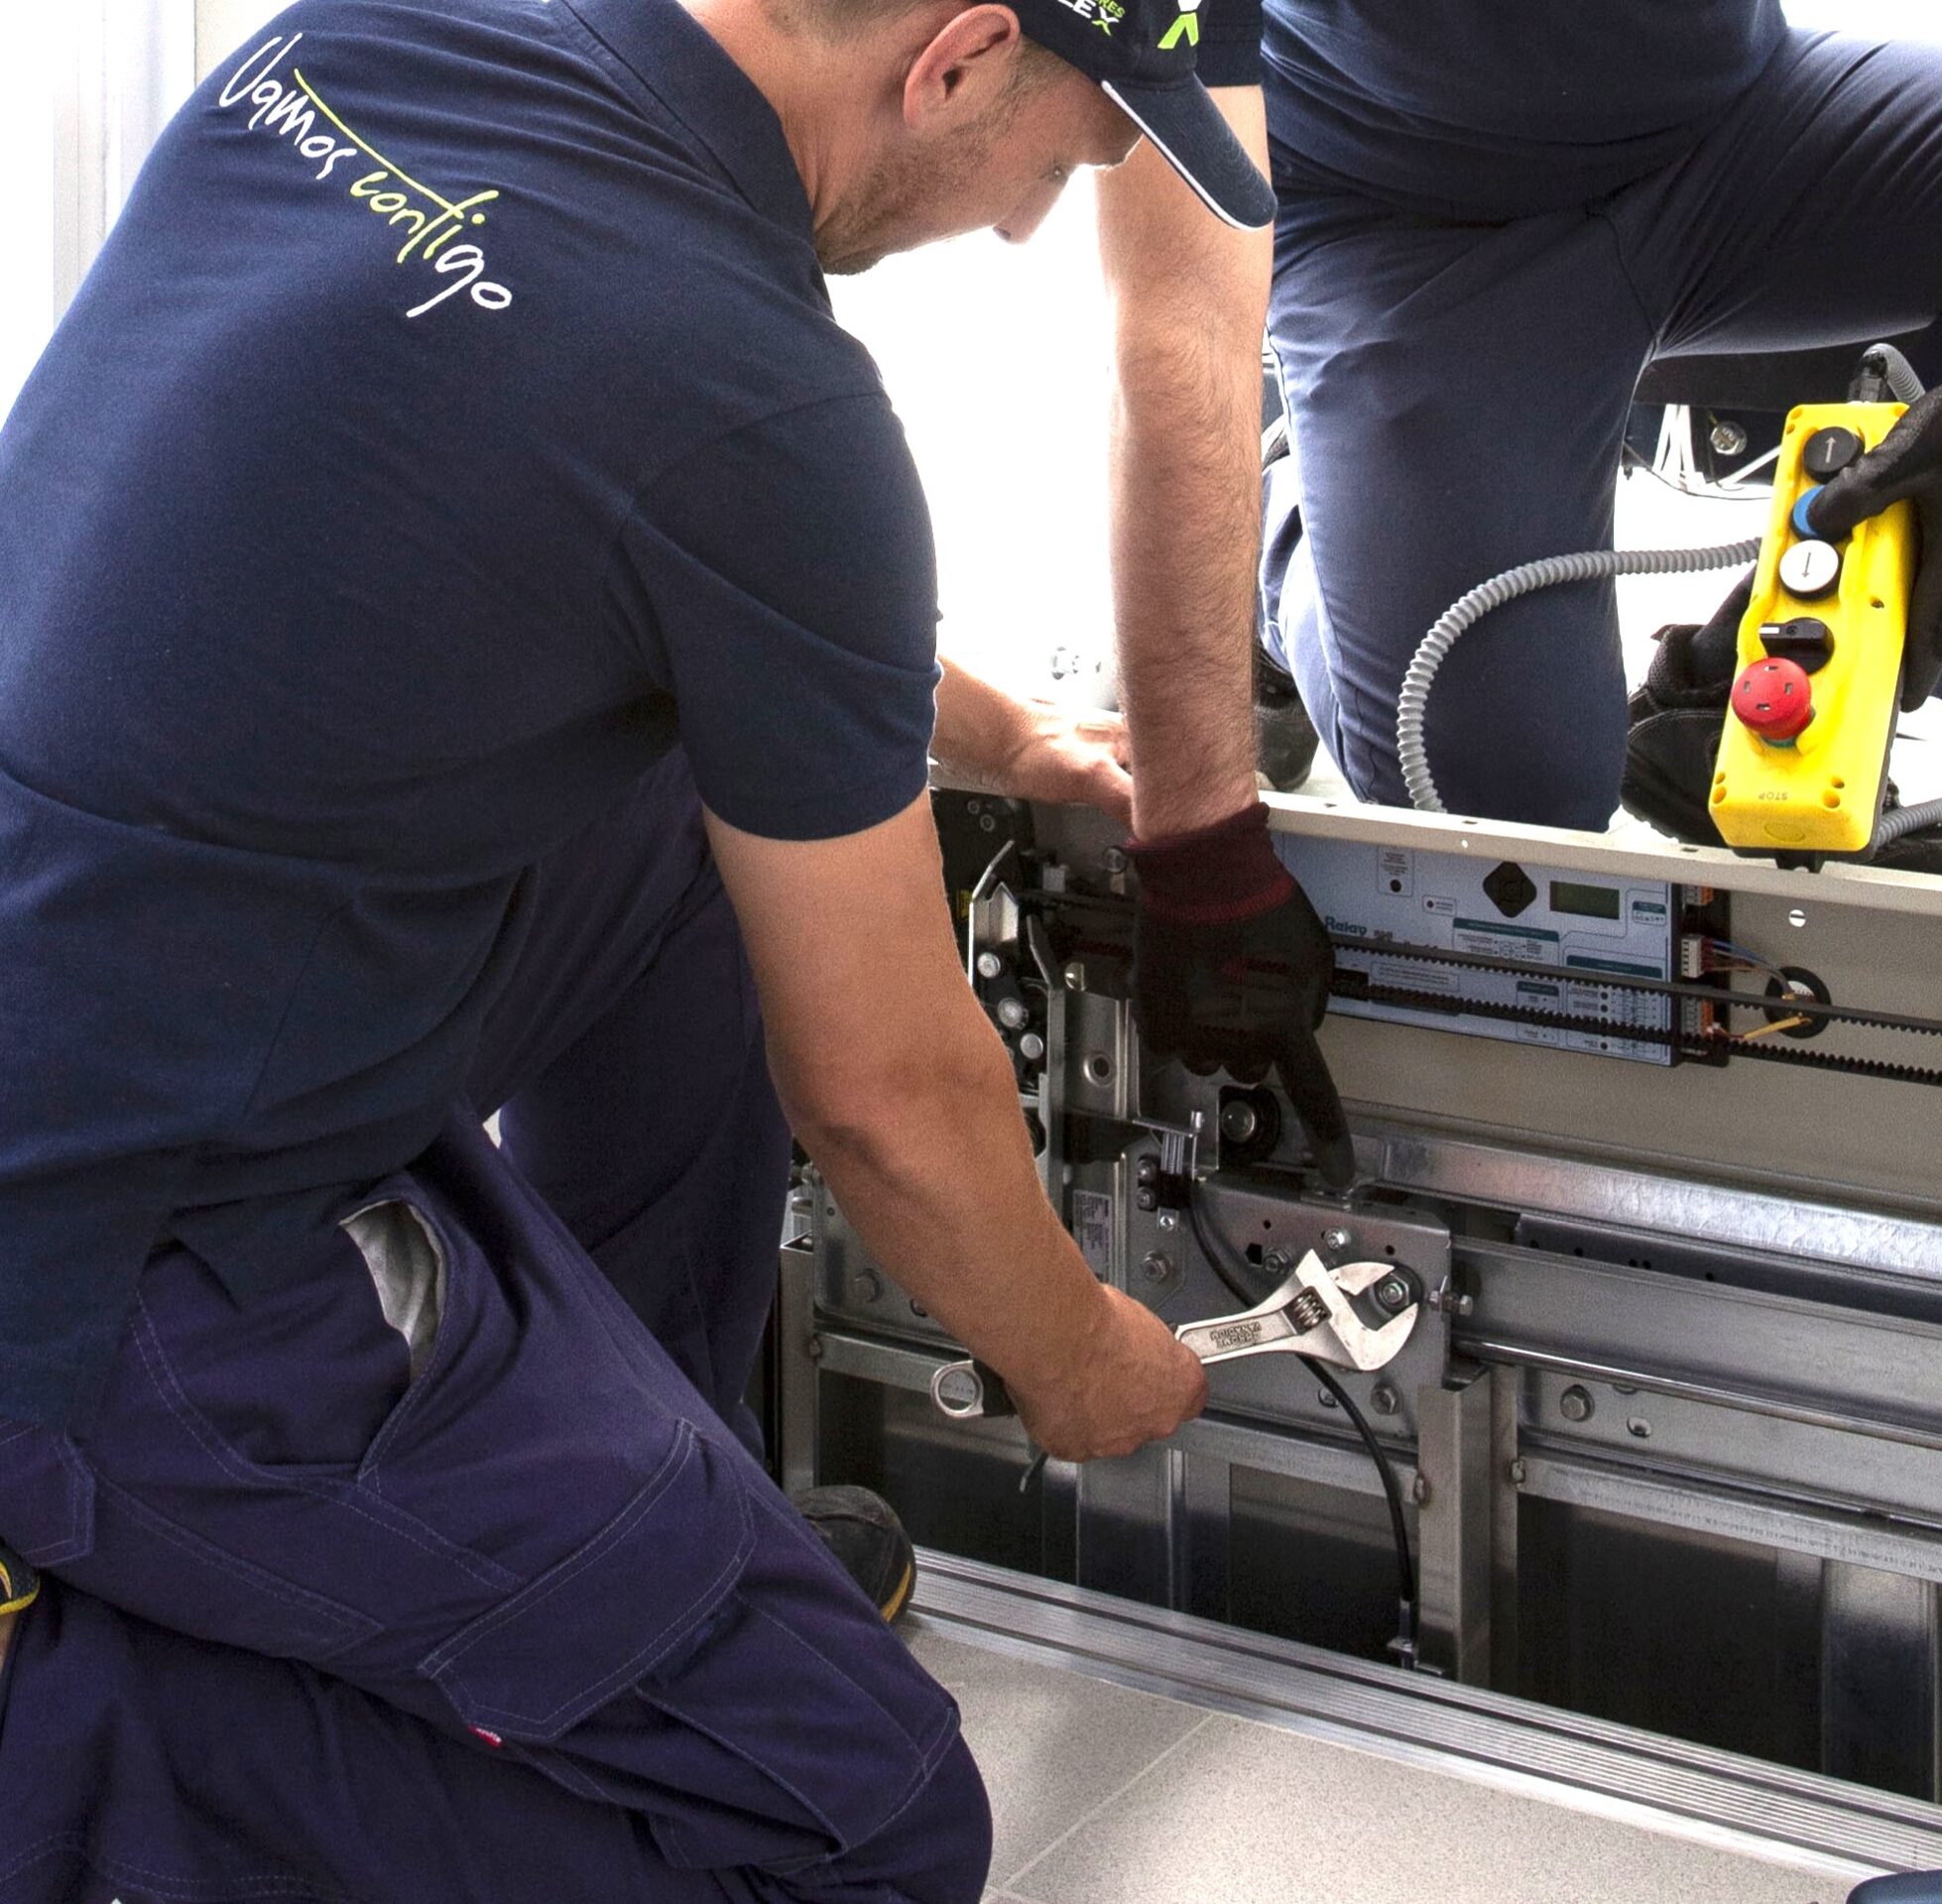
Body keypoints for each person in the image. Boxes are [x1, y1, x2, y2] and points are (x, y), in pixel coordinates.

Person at [0, 0, 1325, 1895]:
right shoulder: (754, 392)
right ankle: (78, 1711)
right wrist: (1081, 1358)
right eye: (1075, 150)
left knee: (721, 831)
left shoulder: (374, 46)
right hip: (108, 1259)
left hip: (103, 996)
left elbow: (571, 515)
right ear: (953, 58)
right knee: (850, 1824)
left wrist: (983, 736)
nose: (1041, 218)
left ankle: (635, 1546)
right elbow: (884, 1100)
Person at [1163, 0, 1942, 865]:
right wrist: (1192, 845)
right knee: (1501, 810)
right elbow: (1161, 331)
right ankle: (1291, 520)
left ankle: (1799, 703)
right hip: (1408, 229)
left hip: (1721, 138)